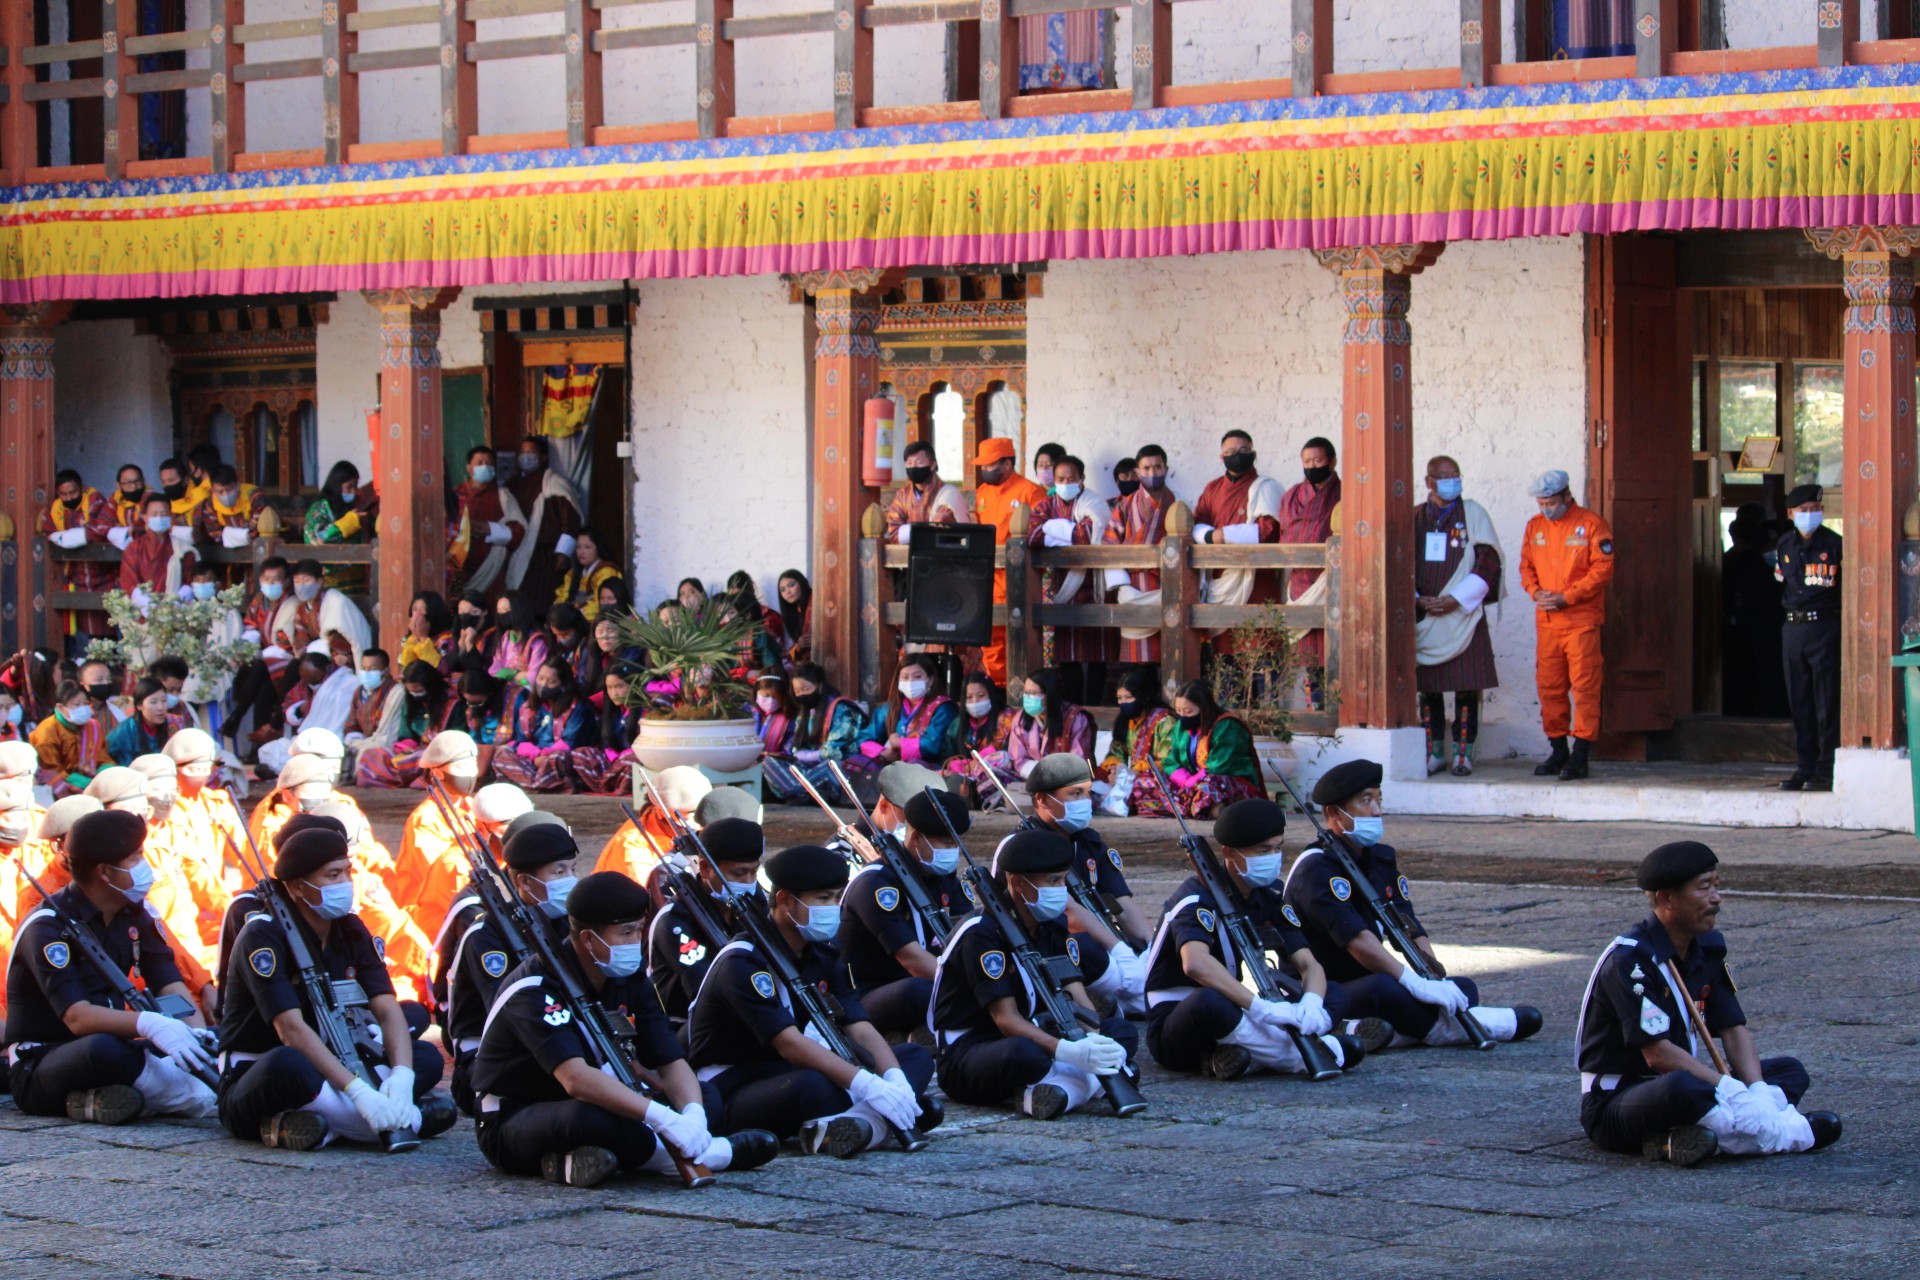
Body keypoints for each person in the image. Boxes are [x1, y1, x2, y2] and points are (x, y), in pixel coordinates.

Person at [471, 867, 777, 1186]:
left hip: (599, 1095)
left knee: (704, 1096)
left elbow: (670, 1061)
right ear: (589, 939)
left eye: (639, 930)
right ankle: (715, 1153)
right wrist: (661, 1119)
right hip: (516, 1116)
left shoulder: (626, 976)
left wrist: (691, 1116)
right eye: (626, 933)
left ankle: (589, 1159)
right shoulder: (535, 988)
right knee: (591, 1119)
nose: (636, 941)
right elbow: (575, 1079)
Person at [1576, 840, 1841, 1164]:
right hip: (1620, 1100)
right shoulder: (1631, 961)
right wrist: (1730, 1090)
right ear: (1666, 898)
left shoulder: (1707, 948)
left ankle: (1700, 1139)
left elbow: (1732, 1027)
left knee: (1789, 1070)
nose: (1717, 898)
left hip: (1691, 1082)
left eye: (1717, 886)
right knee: (1683, 1089)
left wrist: (1754, 1090)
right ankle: (1775, 1135)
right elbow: (1657, 1055)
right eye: (1704, 889)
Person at [215, 826, 457, 1150]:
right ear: (298, 887)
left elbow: (386, 1007)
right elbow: (291, 1030)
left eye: (347, 872)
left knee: (424, 1057)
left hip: (337, 1062)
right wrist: (358, 1092)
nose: (345, 883)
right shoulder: (263, 935)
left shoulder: (350, 928)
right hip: (264, 1070)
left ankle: (325, 1126)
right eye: (332, 875)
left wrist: (401, 1077)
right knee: (288, 1064)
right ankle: (399, 1119)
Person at [685, 844, 935, 1155]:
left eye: (835, 897)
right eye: (822, 899)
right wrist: (868, 1085)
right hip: (737, 1081)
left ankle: (864, 1125)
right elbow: (788, 1043)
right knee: (817, 1086)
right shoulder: (742, 962)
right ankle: (878, 1119)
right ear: (785, 901)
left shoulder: (822, 951)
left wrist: (893, 1079)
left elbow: (858, 1024)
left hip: (789, 1066)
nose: (833, 907)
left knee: (913, 1058)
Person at [1283, 760, 1541, 1049]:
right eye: (1365, 801)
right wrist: (1412, 982)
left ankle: (1373, 1031)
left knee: (1462, 988)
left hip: (1373, 978)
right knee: (1387, 988)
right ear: (1333, 813)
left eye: (1378, 799)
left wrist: (1431, 974)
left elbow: (1408, 924)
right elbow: (1357, 940)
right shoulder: (1316, 869)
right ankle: (1471, 1027)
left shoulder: (1378, 858)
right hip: (1326, 990)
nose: (1377, 811)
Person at [3, 809, 219, 1124]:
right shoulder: (48, 926)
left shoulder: (135, 911)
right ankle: (195, 1097)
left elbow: (169, 983)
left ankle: (122, 1099)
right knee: (103, 1050)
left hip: (121, 1045)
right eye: (135, 858)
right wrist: (150, 1024)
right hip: (45, 1060)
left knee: (224, 1036)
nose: (146, 866)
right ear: (105, 872)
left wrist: (196, 1036)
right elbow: (77, 1017)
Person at [1143, 799, 1368, 1080]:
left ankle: (1251, 1056)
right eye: (1263, 850)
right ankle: (1301, 1054)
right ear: (1229, 853)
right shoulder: (1194, 898)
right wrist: (1262, 1009)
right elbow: (1195, 964)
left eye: (1278, 847)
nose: (1273, 856)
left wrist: (1311, 1003)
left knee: (1333, 992)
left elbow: (1310, 965)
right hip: (1180, 1020)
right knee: (1208, 1002)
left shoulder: (1269, 894)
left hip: (1239, 1008)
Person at [930, 827, 1137, 1119]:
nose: (1061, 889)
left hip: (1038, 1029)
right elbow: (1006, 1020)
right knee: (1026, 1055)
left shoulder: (1050, 923)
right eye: (1053, 880)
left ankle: (1059, 1091)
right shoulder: (982, 933)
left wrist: (1095, 1041)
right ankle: (1076, 1084)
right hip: (973, 1048)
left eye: (1063, 879)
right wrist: (1067, 1052)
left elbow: (1076, 994)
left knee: (1121, 1033)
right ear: (1017, 883)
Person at [439, 817, 578, 1113]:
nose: (570, 879)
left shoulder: (562, 923)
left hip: (550, 1042)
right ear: (524, 881)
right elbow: (510, 1015)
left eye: (572, 869)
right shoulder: (485, 937)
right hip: (490, 1063)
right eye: (559, 871)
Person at [836, 789, 973, 1037]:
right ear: (917, 838)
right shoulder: (877, 883)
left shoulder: (943, 878)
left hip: (930, 980)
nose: (953, 850)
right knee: (919, 992)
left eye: (956, 842)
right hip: (866, 994)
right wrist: (972, 988)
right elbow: (911, 959)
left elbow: (968, 935)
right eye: (946, 842)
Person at [1518, 468, 1615, 781]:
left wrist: (1567, 597)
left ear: (1567, 496)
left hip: (1580, 620)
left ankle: (1581, 754)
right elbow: (1526, 566)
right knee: (1550, 687)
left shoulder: (1591, 525)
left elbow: (1602, 571)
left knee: (1585, 687)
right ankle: (1558, 748)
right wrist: (1536, 592)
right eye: (1542, 503)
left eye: (1551, 502)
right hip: (1547, 620)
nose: (1547, 508)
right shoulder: (1535, 527)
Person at [1414, 456, 1504, 777]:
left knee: (1466, 687)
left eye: (1456, 475)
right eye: (1444, 476)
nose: (1452, 481)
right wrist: (1418, 600)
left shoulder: (1474, 513)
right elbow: (1399, 564)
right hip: (1425, 615)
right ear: (1429, 482)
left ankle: (1463, 753)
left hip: (1464, 614)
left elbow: (1488, 561)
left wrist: (1456, 599)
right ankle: (1433, 751)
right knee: (1430, 689)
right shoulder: (1415, 518)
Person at [647, 815, 762, 1024]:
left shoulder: (754, 901)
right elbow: (703, 989)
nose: (748, 882)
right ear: (705, 868)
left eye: (754, 872)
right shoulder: (675, 919)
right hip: (693, 1026)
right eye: (739, 873)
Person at [1028, 454, 1112, 704]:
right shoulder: (1045, 504)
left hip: (1094, 588)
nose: (1066, 483)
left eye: (1071, 478)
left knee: (1096, 654)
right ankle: (1074, 706)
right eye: (1061, 478)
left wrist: (1051, 528)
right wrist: (1067, 532)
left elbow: (1088, 533)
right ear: (1054, 480)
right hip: (1062, 587)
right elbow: (1033, 535)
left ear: (1082, 479)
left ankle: (1094, 706)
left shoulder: (1094, 503)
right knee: (1067, 654)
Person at [1192, 431, 1286, 656]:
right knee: (1226, 659)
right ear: (1221, 457)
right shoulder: (1212, 489)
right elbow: (1196, 524)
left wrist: (1224, 535)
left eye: (1244, 451)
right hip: (1223, 582)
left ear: (1253, 454)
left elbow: (1268, 530)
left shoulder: (1266, 487)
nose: (1237, 456)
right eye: (1231, 452)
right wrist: (1209, 537)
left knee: (1262, 654)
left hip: (1256, 582)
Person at [1776, 484, 1841, 792]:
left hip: (1824, 627)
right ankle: (1805, 766)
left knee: (1825, 701)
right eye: (1804, 511)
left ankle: (1826, 768)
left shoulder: (1834, 544)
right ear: (1791, 514)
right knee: (1799, 700)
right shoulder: (1784, 545)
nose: (1811, 515)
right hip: (1793, 630)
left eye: (1816, 510)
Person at [389, 731, 482, 939]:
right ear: (437, 773)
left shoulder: (471, 808)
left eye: (472, 765)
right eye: (460, 767)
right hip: (432, 915)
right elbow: (442, 877)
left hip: (464, 900)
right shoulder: (425, 820)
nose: (469, 773)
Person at [972, 436, 1049, 684]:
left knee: (1023, 642)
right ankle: (997, 693)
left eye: (990, 465)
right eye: (982, 466)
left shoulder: (1031, 492)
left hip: (1021, 581)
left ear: (1007, 464)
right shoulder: (981, 494)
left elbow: (1043, 535)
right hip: (988, 582)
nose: (985, 470)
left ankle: (1022, 699)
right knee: (992, 642)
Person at [1135, 679, 1263, 820]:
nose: (1182, 716)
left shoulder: (1226, 726)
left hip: (1224, 781)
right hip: (1190, 783)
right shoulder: (1180, 727)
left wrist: (1195, 781)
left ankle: (1192, 807)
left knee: (1210, 784)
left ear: (1203, 708)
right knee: (1147, 778)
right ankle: (1202, 809)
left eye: (1188, 711)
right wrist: (1184, 780)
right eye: (1178, 711)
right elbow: (1171, 760)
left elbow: (1219, 766)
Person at [1101, 443, 1177, 671]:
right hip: (1132, 587)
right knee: (1135, 662)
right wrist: (1122, 586)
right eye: (1147, 468)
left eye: (1158, 467)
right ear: (1138, 471)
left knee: (1169, 657)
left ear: (1166, 468)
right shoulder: (1125, 505)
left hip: (1167, 586)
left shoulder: (1177, 504)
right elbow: (1109, 546)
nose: (1152, 473)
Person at [1276, 436, 1341, 678]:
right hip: (1300, 585)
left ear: (1332, 462)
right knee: (1308, 661)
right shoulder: (1291, 495)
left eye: (1318, 460)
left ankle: (1338, 714)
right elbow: (1285, 534)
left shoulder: (1345, 494)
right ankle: (1313, 707)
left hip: (1333, 583)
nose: (1312, 466)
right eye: (1307, 461)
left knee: (1335, 653)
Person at [39, 468, 117, 657]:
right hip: (76, 575)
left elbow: (98, 529)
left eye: (73, 492)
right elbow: (46, 529)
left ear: (81, 488)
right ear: (58, 494)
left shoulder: (94, 500)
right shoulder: (56, 508)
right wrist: (69, 538)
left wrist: (65, 538)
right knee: (80, 624)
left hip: (104, 573)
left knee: (107, 621)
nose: (69, 497)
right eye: (64, 494)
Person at [1721, 503, 1788, 718]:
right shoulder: (1746, 569)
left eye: (1776, 546)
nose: (1773, 552)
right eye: (1769, 548)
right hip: (1754, 640)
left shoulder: (1790, 568)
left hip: (1787, 636)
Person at [493, 658, 598, 793]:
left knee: (557, 759)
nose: (543, 684)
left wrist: (545, 756)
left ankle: (530, 785)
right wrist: (535, 756)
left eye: (551, 681)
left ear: (563, 684)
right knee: (502, 754)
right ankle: (538, 784)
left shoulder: (577, 706)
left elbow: (569, 743)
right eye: (541, 678)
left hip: (559, 759)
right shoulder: (528, 707)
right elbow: (521, 741)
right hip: (534, 759)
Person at [593, 764, 707, 884]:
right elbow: (646, 898)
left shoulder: (702, 826)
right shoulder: (633, 850)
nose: (696, 828)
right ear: (661, 812)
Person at [849, 655, 958, 782]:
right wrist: (882, 753)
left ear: (930, 680)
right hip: (892, 763)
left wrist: (899, 744)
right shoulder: (890, 709)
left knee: (910, 769)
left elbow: (931, 745)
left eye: (917, 677)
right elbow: (863, 738)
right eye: (905, 677)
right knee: (855, 763)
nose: (911, 682)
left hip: (927, 766)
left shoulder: (942, 709)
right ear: (898, 680)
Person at [506, 435, 583, 607]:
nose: (526, 456)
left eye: (532, 452)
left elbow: (570, 521)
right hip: (517, 553)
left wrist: (563, 553)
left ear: (543, 457)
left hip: (547, 557)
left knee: (545, 602)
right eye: (523, 452)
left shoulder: (554, 484)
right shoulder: (512, 485)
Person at [354, 661, 452, 790]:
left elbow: (454, 739)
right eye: (411, 691)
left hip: (436, 754)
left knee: (423, 759)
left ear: (430, 687)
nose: (415, 695)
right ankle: (398, 779)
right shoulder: (410, 701)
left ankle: (414, 779)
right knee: (372, 754)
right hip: (412, 752)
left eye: (419, 691)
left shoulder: (452, 704)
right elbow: (405, 733)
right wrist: (407, 746)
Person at [449, 446, 527, 601]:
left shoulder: (503, 496)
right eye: (479, 462)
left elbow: (519, 531)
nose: (484, 466)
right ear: (469, 468)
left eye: (489, 463)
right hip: (459, 572)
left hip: (491, 572)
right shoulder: (455, 495)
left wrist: (490, 530)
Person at [1094, 669, 1172, 816]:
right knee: (1091, 786)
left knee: (1140, 786)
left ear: (1143, 696)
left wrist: (1136, 772)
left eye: (1128, 697)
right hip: (1130, 777)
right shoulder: (1125, 721)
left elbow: (1168, 760)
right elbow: (1117, 751)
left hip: (1156, 777)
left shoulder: (1164, 721)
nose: (1123, 703)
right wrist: (1114, 770)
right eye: (1119, 698)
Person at [31, 679, 111, 798]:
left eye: (85, 703)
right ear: (61, 707)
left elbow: (102, 758)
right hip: (59, 785)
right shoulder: (47, 730)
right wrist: (82, 782)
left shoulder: (93, 726)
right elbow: (51, 770)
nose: (82, 708)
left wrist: (106, 772)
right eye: (77, 704)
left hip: (92, 780)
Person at [883, 440, 972, 545]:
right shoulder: (902, 495)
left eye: (919, 462)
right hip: (909, 556)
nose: (913, 467)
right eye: (909, 463)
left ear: (932, 465)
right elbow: (893, 532)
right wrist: (923, 529)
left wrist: (908, 531)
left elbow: (939, 531)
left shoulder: (948, 495)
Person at [191, 464, 268, 583]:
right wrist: (246, 530)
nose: (225, 495)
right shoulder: (210, 504)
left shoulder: (253, 495)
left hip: (260, 551)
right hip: (228, 555)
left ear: (237, 484)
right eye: (220, 491)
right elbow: (216, 534)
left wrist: (229, 533)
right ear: (212, 490)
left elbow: (260, 528)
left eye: (229, 490)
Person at [304, 461, 372, 593]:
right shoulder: (320, 507)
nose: (353, 491)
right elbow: (322, 538)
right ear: (336, 485)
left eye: (355, 486)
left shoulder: (353, 506)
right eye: (349, 487)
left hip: (356, 577)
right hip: (331, 577)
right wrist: (350, 521)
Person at [118, 492, 196, 603]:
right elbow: (129, 582)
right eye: (154, 515)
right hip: (142, 611)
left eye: (164, 514)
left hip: (175, 610)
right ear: (145, 518)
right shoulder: (134, 548)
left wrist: (174, 603)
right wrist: (149, 608)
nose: (159, 518)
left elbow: (189, 581)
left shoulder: (182, 548)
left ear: (171, 516)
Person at [940, 673, 1012, 790]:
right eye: (969, 697)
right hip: (963, 780)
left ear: (991, 695)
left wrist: (981, 762)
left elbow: (1009, 754)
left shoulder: (1007, 720)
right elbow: (946, 755)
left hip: (994, 780)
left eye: (981, 695)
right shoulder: (958, 724)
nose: (975, 701)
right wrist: (961, 765)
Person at [343, 647, 403, 773]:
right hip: (363, 741)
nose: (367, 673)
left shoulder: (395, 692)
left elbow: (389, 734)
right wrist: (355, 739)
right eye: (364, 669)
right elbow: (351, 724)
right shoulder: (359, 692)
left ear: (386, 671)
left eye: (372, 669)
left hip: (383, 744)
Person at [106, 677, 180, 766]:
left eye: (164, 700)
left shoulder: (172, 725)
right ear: (139, 705)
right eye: (153, 702)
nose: (161, 707)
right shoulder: (125, 731)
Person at [553, 528, 621, 622]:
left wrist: (573, 618)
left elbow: (597, 605)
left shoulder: (606, 572)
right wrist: (557, 613)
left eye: (587, 547)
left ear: (598, 548)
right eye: (578, 547)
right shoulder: (572, 574)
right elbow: (562, 596)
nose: (582, 551)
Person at [489, 592, 551, 687]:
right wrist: (519, 675)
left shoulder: (537, 641)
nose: (502, 615)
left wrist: (512, 674)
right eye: (499, 611)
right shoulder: (504, 638)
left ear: (520, 610)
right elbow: (494, 671)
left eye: (506, 610)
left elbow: (534, 676)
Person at [398, 590, 456, 673]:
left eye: (422, 610)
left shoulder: (448, 639)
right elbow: (405, 668)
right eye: (414, 609)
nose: (417, 614)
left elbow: (441, 670)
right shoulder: (408, 639)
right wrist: (415, 637)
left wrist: (423, 638)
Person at [775, 569, 812, 665]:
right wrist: (799, 646)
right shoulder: (792, 613)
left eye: (791, 585)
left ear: (802, 583)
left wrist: (818, 640)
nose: (787, 592)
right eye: (782, 590)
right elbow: (789, 652)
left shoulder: (816, 603)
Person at [105, 465, 149, 544]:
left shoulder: (152, 499)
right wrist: (127, 531)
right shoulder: (114, 500)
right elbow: (102, 526)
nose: (133, 486)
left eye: (137, 481)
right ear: (118, 485)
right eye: (128, 482)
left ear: (143, 481)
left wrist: (119, 530)